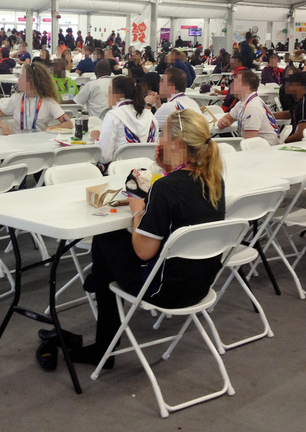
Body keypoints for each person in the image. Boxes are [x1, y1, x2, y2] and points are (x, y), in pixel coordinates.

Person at [52, 110, 225, 366]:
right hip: (200, 284)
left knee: (106, 238)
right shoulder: (214, 180)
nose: (158, 141)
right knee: (111, 253)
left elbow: (144, 251)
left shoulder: (164, 189)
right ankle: (99, 285)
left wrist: (138, 212)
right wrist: (167, 170)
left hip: (163, 290)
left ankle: (104, 344)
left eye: (163, 135)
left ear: (176, 144)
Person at [0, 63, 72, 134]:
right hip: (17, 143)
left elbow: (68, 123)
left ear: (33, 82)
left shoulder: (48, 102)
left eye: (22, 77)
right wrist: (3, 126)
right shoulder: (16, 99)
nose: (18, 80)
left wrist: (51, 128)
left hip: (40, 143)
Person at [92, 76, 157, 166]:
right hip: (148, 169)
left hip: (120, 170)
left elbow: (105, 157)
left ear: (118, 95)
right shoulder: (150, 115)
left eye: (109, 92)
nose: (107, 96)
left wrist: (97, 140)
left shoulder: (113, 115)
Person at [217, 69, 280, 145]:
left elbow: (250, 143)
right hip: (257, 147)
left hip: (264, 151)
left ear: (247, 86)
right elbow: (229, 118)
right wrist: (224, 122)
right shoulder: (242, 103)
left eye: (236, 82)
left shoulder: (253, 107)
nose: (231, 85)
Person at [146, 67, 202, 132]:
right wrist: (158, 106)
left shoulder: (169, 107)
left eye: (162, 81)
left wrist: (148, 104)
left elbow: (145, 128)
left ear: (171, 86)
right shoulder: (192, 102)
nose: (159, 84)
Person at [274, 71, 306, 142]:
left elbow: (301, 134)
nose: (286, 85)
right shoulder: (299, 101)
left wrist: (282, 141)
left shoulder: (305, 104)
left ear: (300, 86)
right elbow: (288, 114)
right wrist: (268, 115)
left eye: (290, 83)